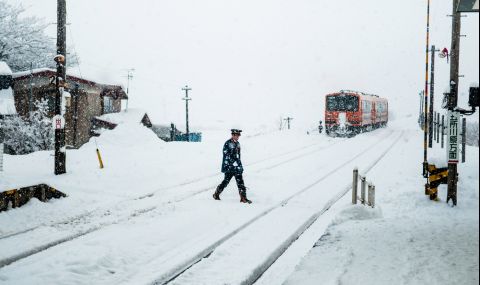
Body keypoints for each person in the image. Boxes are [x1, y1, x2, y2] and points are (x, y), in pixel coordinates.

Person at [213, 129, 252, 204]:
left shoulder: (238, 144)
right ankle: (216, 194)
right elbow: (226, 154)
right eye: (236, 135)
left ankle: (243, 198)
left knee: (240, 182)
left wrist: (239, 165)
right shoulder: (227, 143)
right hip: (229, 167)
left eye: (238, 135)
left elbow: (238, 156)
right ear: (232, 135)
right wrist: (232, 162)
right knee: (225, 182)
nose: (237, 137)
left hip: (236, 167)